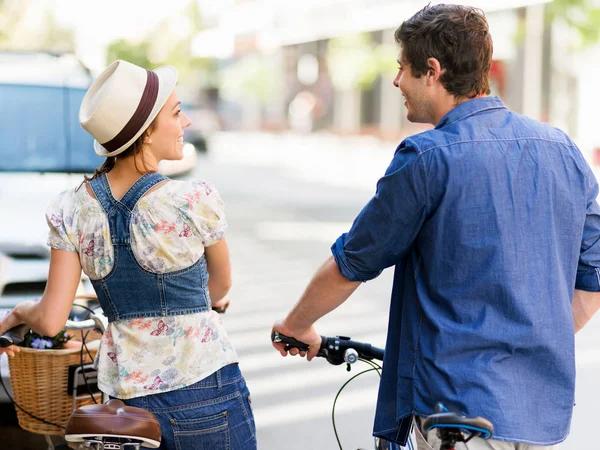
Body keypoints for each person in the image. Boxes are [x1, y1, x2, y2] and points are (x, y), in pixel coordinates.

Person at [272, 4, 600, 450]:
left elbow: (353, 262)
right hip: (541, 417)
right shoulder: (563, 149)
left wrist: (296, 325)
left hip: (457, 413)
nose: (395, 82)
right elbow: (592, 278)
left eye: (402, 68)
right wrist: (529, 341)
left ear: (432, 70)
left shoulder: (427, 157)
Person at [0, 60, 256, 450]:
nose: (185, 121)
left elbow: (51, 320)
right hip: (206, 391)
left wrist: (18, 313)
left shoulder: (71, 208)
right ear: (146, 133)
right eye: (175, 112)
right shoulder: (193, 199)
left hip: (126, 408)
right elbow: (220, 285)